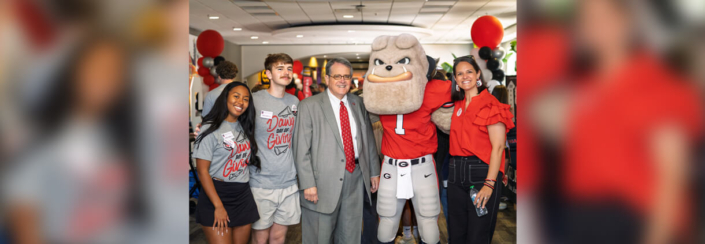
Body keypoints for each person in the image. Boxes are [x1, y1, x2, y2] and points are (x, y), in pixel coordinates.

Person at [293, 57, 380, 243]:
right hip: (320, 183)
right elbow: (301, 149)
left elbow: (368, 140)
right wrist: (308, 183)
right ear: (327, 79)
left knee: (350, 236)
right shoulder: (309, 106)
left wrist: (374, 171)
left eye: (347, 76)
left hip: (355, 178)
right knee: (319, 237)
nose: (342, 80)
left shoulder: (359, 104)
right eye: (337, 76)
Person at [447, 55, 514, 243]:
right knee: (456, 234)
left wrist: (490, 183)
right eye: (459, 73)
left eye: (469, 71)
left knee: (478, 235)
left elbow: (499, 147)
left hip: (481, 173)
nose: (464, 76)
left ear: (478, 74)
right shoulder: (457, 105)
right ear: (455, 79)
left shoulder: (491, 104)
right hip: (455, 174)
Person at [193, 82, 260, 244]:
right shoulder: (209, 129)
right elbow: (202, 172)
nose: (240, 102)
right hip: (216, 195)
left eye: (245, 99)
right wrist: (218, 206)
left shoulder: (245, 126)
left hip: (242, 195)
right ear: (225, 98)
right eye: (236, 96)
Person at [250, 53, 300, 244]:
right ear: (268, 74)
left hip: (288, 181)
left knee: (279, 237)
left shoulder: (294, 102)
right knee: (260, 237)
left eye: (289, 68)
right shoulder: (254, 100)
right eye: (280, 68)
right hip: (261, 182)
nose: (286, 73)